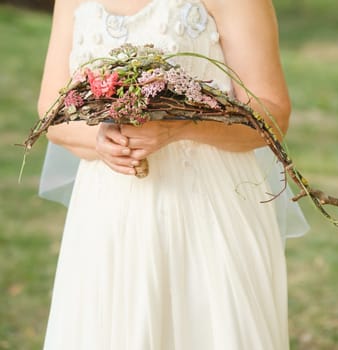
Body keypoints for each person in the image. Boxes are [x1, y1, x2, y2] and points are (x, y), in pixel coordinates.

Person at [37, 0, 308, 349]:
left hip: (207, 205)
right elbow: (52, 112)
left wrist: (177, 128)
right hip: (106, 211)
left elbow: (272, 114)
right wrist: (101, 140)